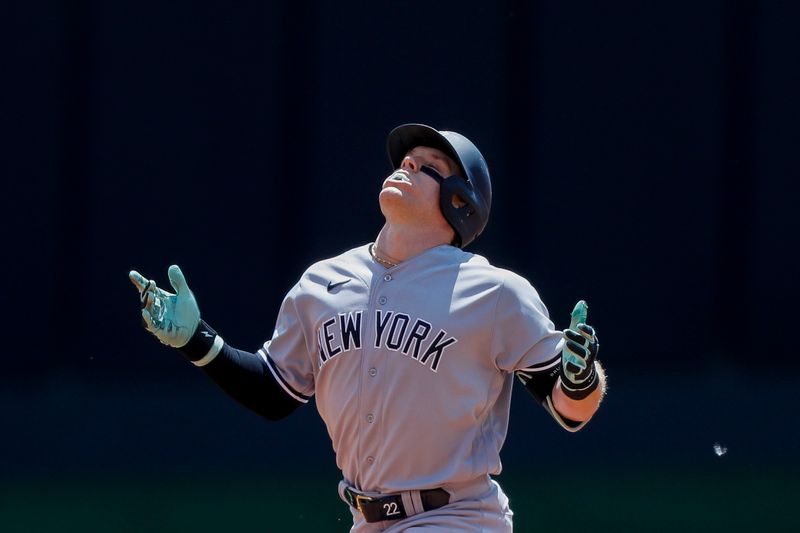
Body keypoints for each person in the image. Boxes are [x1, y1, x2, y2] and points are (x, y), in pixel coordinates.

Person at [129, 123, 606, 532]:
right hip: (366, 518)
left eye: (428, 166)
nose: (408, 165)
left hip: (457, 517)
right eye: (406, 159)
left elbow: (570, 411)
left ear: (460, 201)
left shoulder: (495, 292)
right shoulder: (322, 283)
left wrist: (582, 378)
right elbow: (275, 392)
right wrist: (198, 341)